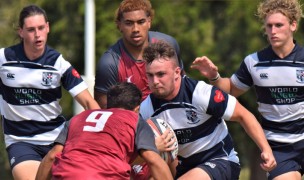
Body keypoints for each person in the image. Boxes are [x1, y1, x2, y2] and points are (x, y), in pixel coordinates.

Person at [191, 0, 304, 179]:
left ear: (293, 25)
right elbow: (231, 89)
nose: (273, 31)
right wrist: (214, 76)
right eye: (269, 26)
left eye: (279, 25)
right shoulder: (254, 62)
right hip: (277, 146)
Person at [140, 40, 277, 179]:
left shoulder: (199, 93)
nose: (155, 81)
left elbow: (244, 115)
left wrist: (266, 150)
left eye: (161, 74)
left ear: (177, 72)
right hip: (186, 168)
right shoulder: (147, 108)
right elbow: (133, 153)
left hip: (221, 161)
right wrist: (152, 147)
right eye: (150, 75)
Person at [0, 5, 100, 180]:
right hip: (21, 141)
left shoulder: (58, 63)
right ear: (21, 32)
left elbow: (88, 103)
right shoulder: (4, 59)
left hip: (57, 140)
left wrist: (105, 135)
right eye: (31, 30)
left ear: (48, 27)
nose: (37, 35)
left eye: (41, 28)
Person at [36, 82, 173, 180]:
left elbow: (52, 156)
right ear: (137, 109)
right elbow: (154, 161)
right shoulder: (135, 120)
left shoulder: (77, 119)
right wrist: (154, 148)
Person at [94, 0, 184, 109]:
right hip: (132, 123)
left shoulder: (168, 44)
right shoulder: (109, 63)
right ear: (119, 25)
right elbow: (104, 112)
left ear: (149, 22)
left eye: (141, 22)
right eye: (129, 23)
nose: (135, 29)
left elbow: (182, 85)